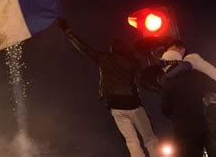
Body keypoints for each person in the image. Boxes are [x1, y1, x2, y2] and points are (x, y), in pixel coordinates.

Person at [58, 18, 158, 157]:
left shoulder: (104, 58)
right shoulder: (132, 62)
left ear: (112, 49)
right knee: (149, 138)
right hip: (133, 104)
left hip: (115, 105)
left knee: (131, 141)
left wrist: (68, 31)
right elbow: (143, 81)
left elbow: (84, 48)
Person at [158, 40, 216, 157]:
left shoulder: (191, 59)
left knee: (210, 138)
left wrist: (167, 79)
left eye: (173, 48)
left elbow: (165, 109)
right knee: (209, 137)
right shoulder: (195, 75)